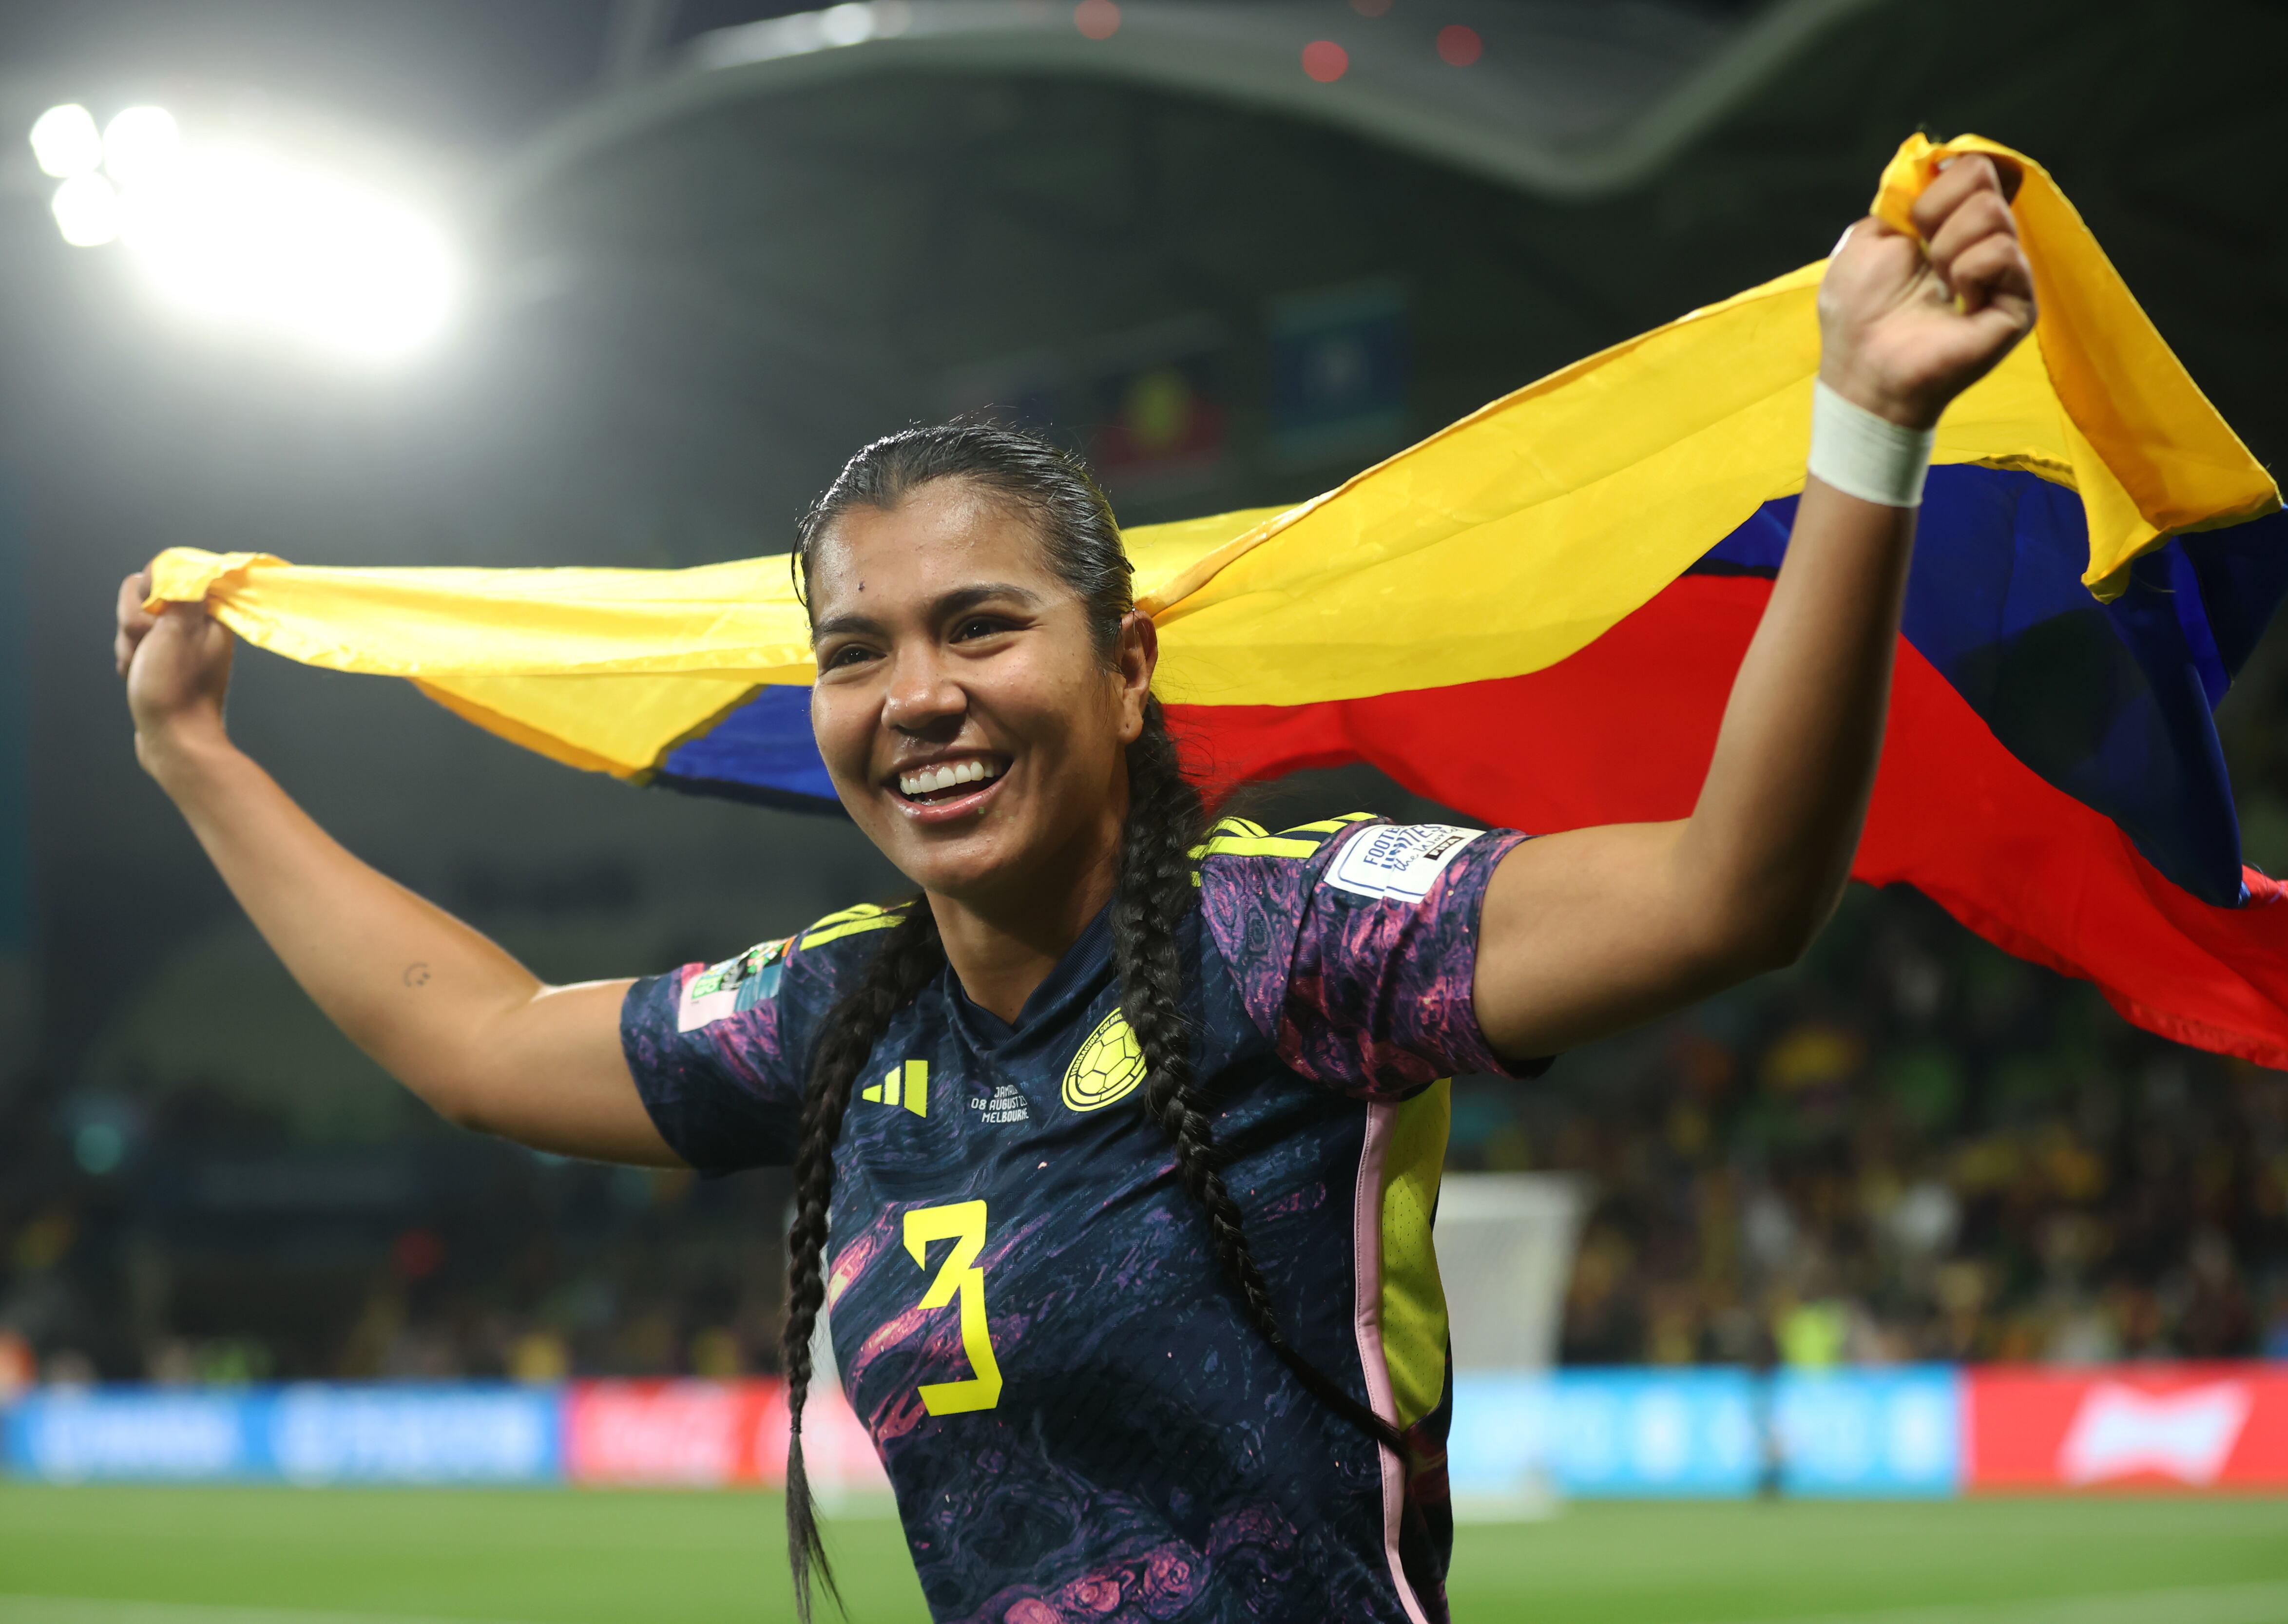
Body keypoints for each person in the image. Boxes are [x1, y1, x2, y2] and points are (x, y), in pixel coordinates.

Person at [115, 158, 2033, 1623]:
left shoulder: (1293, 943)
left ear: (1124, 672)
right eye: (855, 654)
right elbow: (475, 1043)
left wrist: (1862, 432)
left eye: (979, 628)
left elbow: (1725, 894)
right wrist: (201, 757)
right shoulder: (838, 1019)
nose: (917, 696)